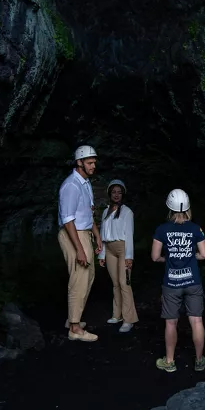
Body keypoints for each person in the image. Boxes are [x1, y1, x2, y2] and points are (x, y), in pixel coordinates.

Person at [151, 189, 205, 373]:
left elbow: (154, 257)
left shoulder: (161, 230)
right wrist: (190, 255)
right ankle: (199, 361)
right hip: (193, 281)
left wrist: (168, 258)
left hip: (171, 284)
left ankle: (169, 362)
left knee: (171, 323)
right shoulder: (195, 229)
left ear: (169, 207)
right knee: (196, 321)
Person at [57, 145, 102, 342]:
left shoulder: (85, 183)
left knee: (88, 276)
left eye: (94, 162)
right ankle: (74, 329)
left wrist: (97, 237)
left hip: (84, 232)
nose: (94, 166)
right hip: (73, 233)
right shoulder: (71, 186)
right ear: (79, 163)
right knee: (79, 278)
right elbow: (68, 221)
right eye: (90, 163)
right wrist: (80, 250)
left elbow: (88, 212)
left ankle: (73, 319)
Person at [98, 179, 139, 333]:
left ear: (123, 194)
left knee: (124, 283)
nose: (116, 195)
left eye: (119, 192)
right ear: (110, 193)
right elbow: (103, 234)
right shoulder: (105, 211)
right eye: (114, 192)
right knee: (115, 283)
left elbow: (129, 235)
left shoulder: (127, 212)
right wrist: (101, 254)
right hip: (109, 248)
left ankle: (129, 319)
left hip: (122, 248)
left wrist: (129, 256)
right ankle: (117, 315)